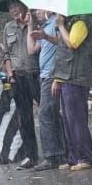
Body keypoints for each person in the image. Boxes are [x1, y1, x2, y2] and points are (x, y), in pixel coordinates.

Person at [52, 13, 92, 171]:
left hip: (77, 78)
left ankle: (86, 157)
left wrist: (60, 26)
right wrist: (57, 78)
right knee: (68, 120)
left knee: (77, 120)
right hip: (66, 77)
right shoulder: (69, 23)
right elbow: (63, 51)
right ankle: (73, 157)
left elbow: (72, 43)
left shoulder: (81, 23)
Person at [0, 0, 40, 169]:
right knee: (24, 118)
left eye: (16, 6)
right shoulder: (8, 28)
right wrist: (10, 74)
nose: (13, 10)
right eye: (10, 8)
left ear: (24, 6)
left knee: (48, 114)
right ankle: (31, 156)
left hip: (36, 74)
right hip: (18, 77)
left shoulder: (36, 24)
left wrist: (31, 24)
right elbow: (6, 54)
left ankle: (59, 152)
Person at [27, 10, 66, 172]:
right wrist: (30, 25)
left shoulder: (58, 21)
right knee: (53, 114)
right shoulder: (45, 26)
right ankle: (61, 152)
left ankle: (51, 156)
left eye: (39, 9)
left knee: (45, 114)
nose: (37, 12)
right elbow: (31, 50)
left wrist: (46, 36)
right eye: (35, 10)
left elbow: (64, 42)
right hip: (44, 75)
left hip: (52, 74)